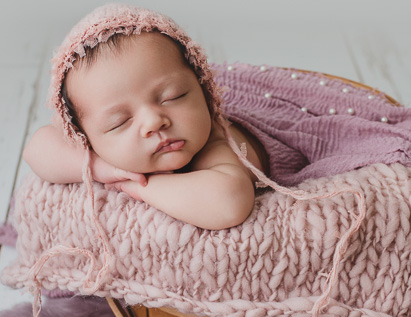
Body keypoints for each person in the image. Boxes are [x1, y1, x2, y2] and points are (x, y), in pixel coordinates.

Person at [23, 27, 269, 231]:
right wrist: (105, 169)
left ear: (203, 89)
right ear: (84, 137)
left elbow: (229, 203)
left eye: (173, 97)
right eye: (120, 121)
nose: (154, 122)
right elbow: (36, 149)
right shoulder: (96, 145)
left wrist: (140, 185)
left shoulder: (214, 141)